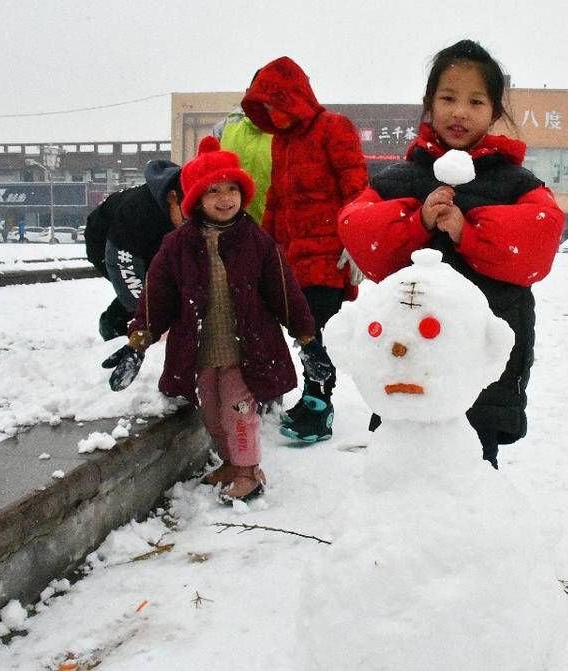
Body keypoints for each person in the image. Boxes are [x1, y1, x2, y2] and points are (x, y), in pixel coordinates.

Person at [337, 39, 565, 468]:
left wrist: (469, 231)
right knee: (401, 461)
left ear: (494, 111)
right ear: (429, 104)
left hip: (476, 355)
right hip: (406, 354)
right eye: (447, 98)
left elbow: (540, 241)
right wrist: (416, 222)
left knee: (475, 467)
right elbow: (359, 230)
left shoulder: (516, 182)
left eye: (475, 101)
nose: (459, 111)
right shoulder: (400, 178)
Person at [103, 136, 333, 501]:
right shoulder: (176, 245)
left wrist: (307, 339)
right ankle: (229, 462)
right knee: (211, 412)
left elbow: (285, 292)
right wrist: (137, 342)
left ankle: (249, 471)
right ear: (196, 199)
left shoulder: (256, 241)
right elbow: (156, 297)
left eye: (231, 189)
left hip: (248, 350)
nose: (225, 198)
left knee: (238, 411)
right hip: (200, 349)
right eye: (213, 191)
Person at [240, 56, 368, 443]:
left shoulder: (334, 128)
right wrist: (262, 248)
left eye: (275, 105)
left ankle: (319, 403)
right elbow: (276, 200)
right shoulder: (281, 142)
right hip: (292, 256)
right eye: (265, 109)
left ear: (292, 98)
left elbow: (356, 185)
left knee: (317, 328)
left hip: (330, 253)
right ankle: (312, 396)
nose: (271, 115)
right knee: (302, 328)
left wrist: (357, 240)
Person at [84, 160, 184, 341]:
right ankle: (112, 328)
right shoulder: (137, 212)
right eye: (187, 218)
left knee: (166, 283)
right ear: (172, 198)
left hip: (150, 239)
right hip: (105, 242)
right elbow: (124, 269)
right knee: (142, 291)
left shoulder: (185, 203)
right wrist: (149, 317)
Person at [212, 105, 273, 224]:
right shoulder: (224, 128)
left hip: (277, 231)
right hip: (230, 230)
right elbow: (205, 179)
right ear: (247, 92)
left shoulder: (290, 129)